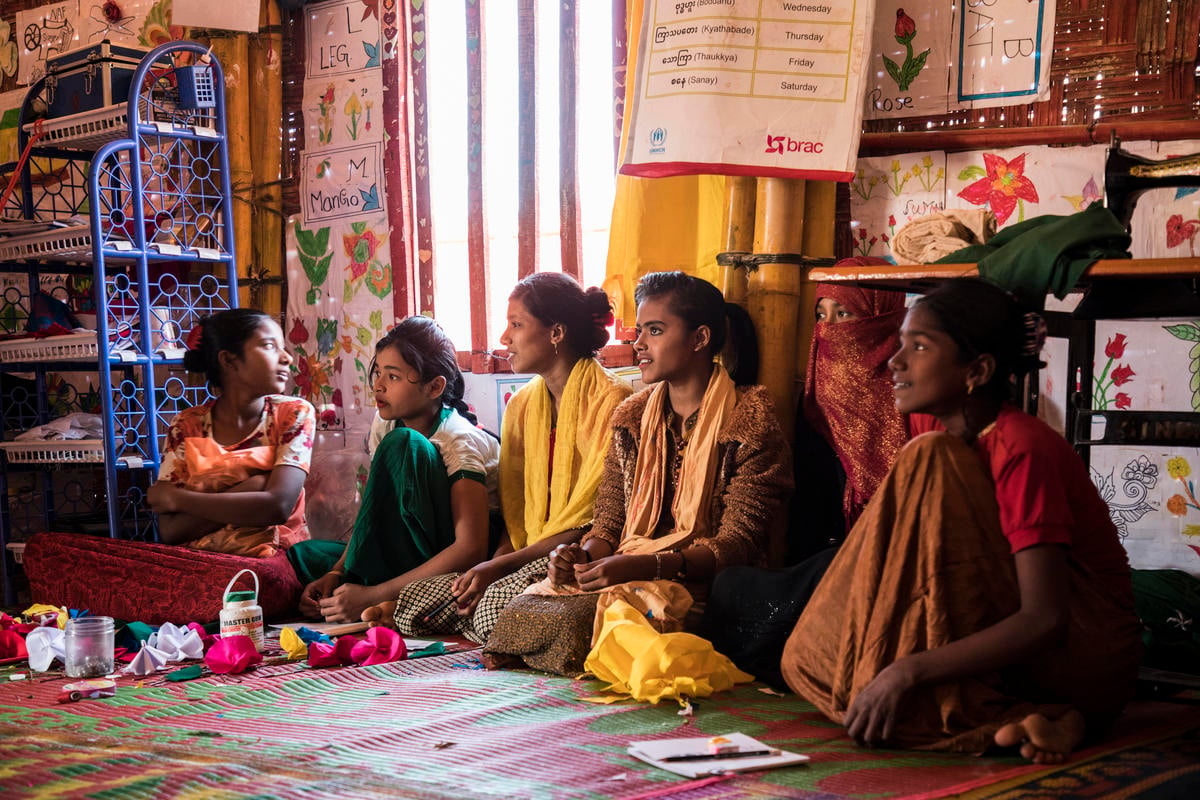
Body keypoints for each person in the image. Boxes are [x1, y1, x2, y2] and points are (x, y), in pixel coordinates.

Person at [781, 277, 1141, 763]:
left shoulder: (1022, 446)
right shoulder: (933, 422)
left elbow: (1045, 618)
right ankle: (1021, 719)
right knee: (806, 662)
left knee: (885, 691)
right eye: (901, 343)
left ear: (977, 370)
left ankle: (1051, 714)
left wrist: (905, 671)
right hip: (1005, 629)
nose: (896, 361)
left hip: (1079, 650)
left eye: (920, 346)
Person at [483, 271, 793, 676]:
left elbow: (738, 544)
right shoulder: (632, 417)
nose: (639, 344)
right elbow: (609, 525)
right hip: (631, 570)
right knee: (514, 610)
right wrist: (580, 557)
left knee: (572, 622)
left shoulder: (749, 420)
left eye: (655, 331)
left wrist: (647, 566)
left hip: (707, 585)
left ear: (700, 339)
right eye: (639, 331)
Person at [363, 273, 633, 642]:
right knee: (429, 598)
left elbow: (597, 519)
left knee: (489, 610)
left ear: (556, 333)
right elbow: (515, 514)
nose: (504, 338)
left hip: (580, 554)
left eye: (516, 325)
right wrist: (496, 565)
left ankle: (509, 621)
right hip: (525, 551)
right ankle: (496, 616)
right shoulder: (522, 405)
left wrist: (501, 566)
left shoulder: (612, 402)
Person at [703, 271, 912, 686]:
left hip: (894, 563)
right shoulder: (812, 405)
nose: (831, 329)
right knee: (734, 587)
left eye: (846, 313)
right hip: (824, 562)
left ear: (884, 320)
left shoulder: (913, 399)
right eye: (822, 315)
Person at [296, 316, 499, 623]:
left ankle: (375, 594)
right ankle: (356, 586)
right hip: (410, 546)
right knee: (305, 556)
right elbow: (374, 510)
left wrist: (373, 594)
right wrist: (337, 571)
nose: (378, 385)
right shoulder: (385, 422)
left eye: (392, 377)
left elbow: (470, 548)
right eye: (377, 372)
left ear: (434, 387)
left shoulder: (459, 440)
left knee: (405, 443)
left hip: (456, 553)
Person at [148, 308, 316, 557]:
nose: (286, 358)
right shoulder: (186, 425)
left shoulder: (292, 414)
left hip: (276, 562)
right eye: (270, 346)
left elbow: (278, 506)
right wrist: (254, 487)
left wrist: (178, 499)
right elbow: (171, 531)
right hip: (203, 564)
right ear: (228, 360)